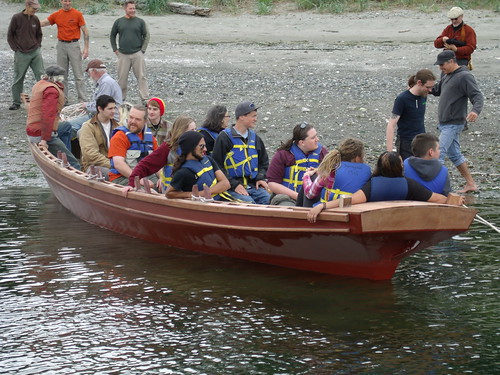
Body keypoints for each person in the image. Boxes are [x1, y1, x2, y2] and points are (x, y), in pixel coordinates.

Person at [307, 151, 461, 223]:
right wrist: (454, 201)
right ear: (400, 167)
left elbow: (349, 200)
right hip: (398, 223)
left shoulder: (373, 185)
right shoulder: (409, 185)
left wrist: (322, 206)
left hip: (374, 223)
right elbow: (436, 198)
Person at [432, 50, 484, 193]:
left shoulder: (465, 76)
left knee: (438, 154)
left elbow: (477, 96)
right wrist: (421, 87)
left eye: (442, 64)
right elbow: (437, 90)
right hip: (444, 123)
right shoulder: (446, 75)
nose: (440, 67)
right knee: (455, 155)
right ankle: (471, 184)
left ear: (451, 61)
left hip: (454, 122)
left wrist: (475, 111)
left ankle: (437, 190)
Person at [212, 101, 270, 205]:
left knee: (268, 200)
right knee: (248, 203)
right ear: (242, 117)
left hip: (252, 185)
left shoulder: (255, 139)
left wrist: (260, 178)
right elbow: (217, 165)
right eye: (253, 116)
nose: (256, 119)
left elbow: (264, 162)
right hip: (231, 187)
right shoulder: (224, 138)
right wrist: (233, 184)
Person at [25, 65, 80, 169]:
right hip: (40, 133)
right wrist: (44, 140)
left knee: (66, 126)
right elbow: (48, 116)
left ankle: (64, 151)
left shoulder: (40, 84)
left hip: (32, 128)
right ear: (58, 78)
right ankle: (67, 162)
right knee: (75, 164)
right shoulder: (51, 90)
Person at [125, 115, 196, 192]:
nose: (196, 133)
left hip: (193, 194)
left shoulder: (198, 147)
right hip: (173, 196)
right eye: (192, 130)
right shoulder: (168, 148)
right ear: (181, 132)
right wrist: (131, 184)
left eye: (196, 129)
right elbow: (145, 165)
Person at [266, 122, 328, 206]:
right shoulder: (283, 154)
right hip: (288, 198)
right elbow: (272, 184)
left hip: (314, 200)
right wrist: (298, 197)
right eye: (313, 138)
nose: (317, 139)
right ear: (302, 142)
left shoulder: (323, 153)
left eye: (316, 136)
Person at [40, 0, 89, 103]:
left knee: (79, 75)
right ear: (61, 1)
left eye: (69, 0)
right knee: (61, 75)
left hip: (74, 45)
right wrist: (30, 22)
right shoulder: (57, 14)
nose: (67, 3)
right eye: (65, 0)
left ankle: (83, 101)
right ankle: (63, 100)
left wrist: (86, 48)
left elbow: (85, 31)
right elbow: (44, 23)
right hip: (61, 45)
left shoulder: (77, 14)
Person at [298, 138, 371, 207]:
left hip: (328, 209)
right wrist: (318, 170)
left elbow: (310, 194)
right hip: (353, 211)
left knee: (311, 179)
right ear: (357, 157)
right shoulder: (367, 171)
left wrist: (306, 176)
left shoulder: (331, 169)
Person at [63, 59, 123, 138]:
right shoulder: (105, 82)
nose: (89, 75)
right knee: (68, 125)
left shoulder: (106, 83)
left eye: (89, 73)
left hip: (106, 118)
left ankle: (69, 149)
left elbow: (101, 107)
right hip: (100, 115)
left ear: (94, 71)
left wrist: (86, 106)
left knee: (69, 127)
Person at [385, 69, 436, 160]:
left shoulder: (423, 95)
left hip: (422, 140)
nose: (430, 90)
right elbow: (391, 124)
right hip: (406, 143)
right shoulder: (402, 99)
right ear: (419, 83)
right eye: (428, 87)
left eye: (431, 87)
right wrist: (389, 152)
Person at [166, 131, 230, 200]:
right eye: (201, 146)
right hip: (207, 204)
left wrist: (203, 193)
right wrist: (191, 194)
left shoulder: (209, 160)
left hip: (224, 197)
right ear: (191, 147)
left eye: (205, 146)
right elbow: (169, 193)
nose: (205, 149)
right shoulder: (183, 172)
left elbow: (226, 183)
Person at [110, 0, 150, 104]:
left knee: (142, 77)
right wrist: (115, 49)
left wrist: (143, 50)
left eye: (134, 8)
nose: (132, 10)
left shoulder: (140, 22)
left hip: (137, 53)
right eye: (130, 8)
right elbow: (112, 35)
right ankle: (121, 99)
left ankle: (145, 99)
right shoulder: (119, 22)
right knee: (122, 79)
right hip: (123, 54)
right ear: (125, 9)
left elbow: (146, 35)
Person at [7, 0, 44, 111]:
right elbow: (10, 35)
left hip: (35, 52)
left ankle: (43, 100)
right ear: (27, 6)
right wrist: (16, 49)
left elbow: (39, 34)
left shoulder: (35, 19)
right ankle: (16, 102)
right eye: (33, 8)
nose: (35, 11)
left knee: (41, 76)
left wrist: (38, 46)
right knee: (18, 77)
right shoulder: (16, 18)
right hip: (21, 53)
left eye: (36, 9)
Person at [108, 104, 158, 185]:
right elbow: (118, 164)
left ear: (145, 121)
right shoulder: (120, 136)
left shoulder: (150, 138)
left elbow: (157, 162)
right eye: (131, 117)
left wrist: (162, 179)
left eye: (137, 119)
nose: (133, 121)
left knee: (165, 187)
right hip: (122, 177)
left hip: (146, 175)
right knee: (146, 191)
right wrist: (139, 180)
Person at [79, 95, 120, 176]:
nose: (114, 111)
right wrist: (113, 165)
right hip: (94, 166)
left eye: (114, 108)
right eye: (110, 109)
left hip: (115, 164)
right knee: (111, 174)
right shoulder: (88, 127)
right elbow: (91, 155)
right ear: (100, 109)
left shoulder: (117, 126)